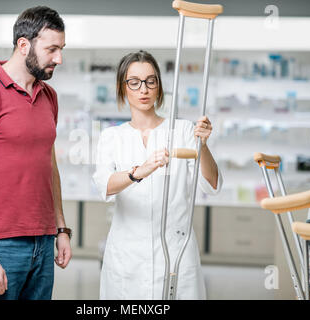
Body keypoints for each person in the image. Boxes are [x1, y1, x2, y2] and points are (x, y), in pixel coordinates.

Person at [0, 6, 72, 300]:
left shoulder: (49, 96)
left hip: (43, 243)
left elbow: (49, 165)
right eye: (52, 49)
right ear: (23, 45)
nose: (59, 58)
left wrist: (61, 229)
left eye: (62, 49)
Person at [93, 50, 223, 300]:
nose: (144, 89)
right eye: (134, 82)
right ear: (123, 89)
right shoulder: (112, 137)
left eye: (151, 81)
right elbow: (105, 186)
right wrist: (138, 172)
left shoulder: (183, 130)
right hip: (127, 256)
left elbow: (212, 183)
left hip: (175, 252)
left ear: (159, 87)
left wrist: (202, 146)